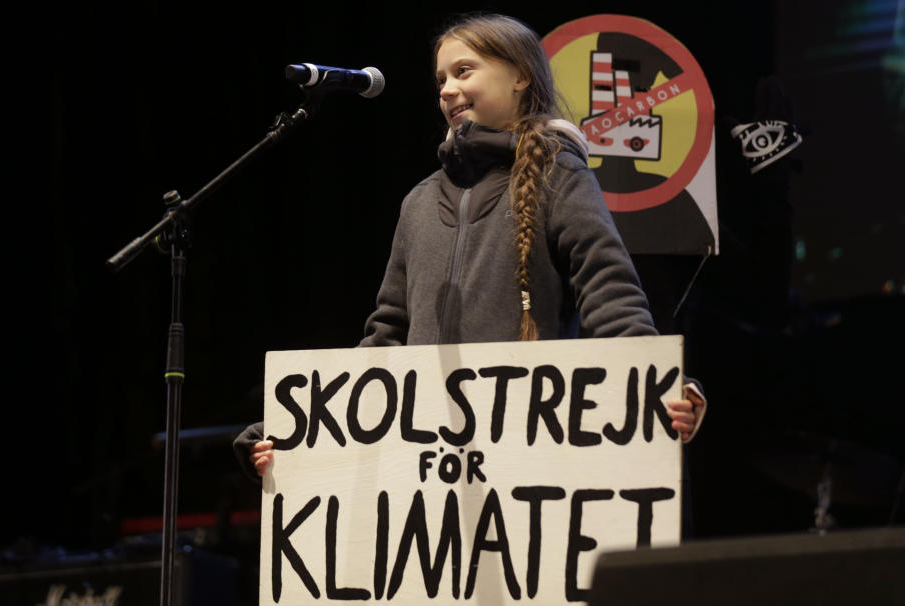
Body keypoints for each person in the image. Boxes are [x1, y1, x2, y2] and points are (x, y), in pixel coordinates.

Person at [234, 13, 705, 481]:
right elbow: (385, 342)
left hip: (526, 451)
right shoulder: (418, 203)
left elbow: (610, 294)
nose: (445, 89)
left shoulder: (560, 176)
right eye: (440, 78)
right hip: (424, 462)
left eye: (463, 71)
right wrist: (296, 429)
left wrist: (657, 383)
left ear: (520, 75)